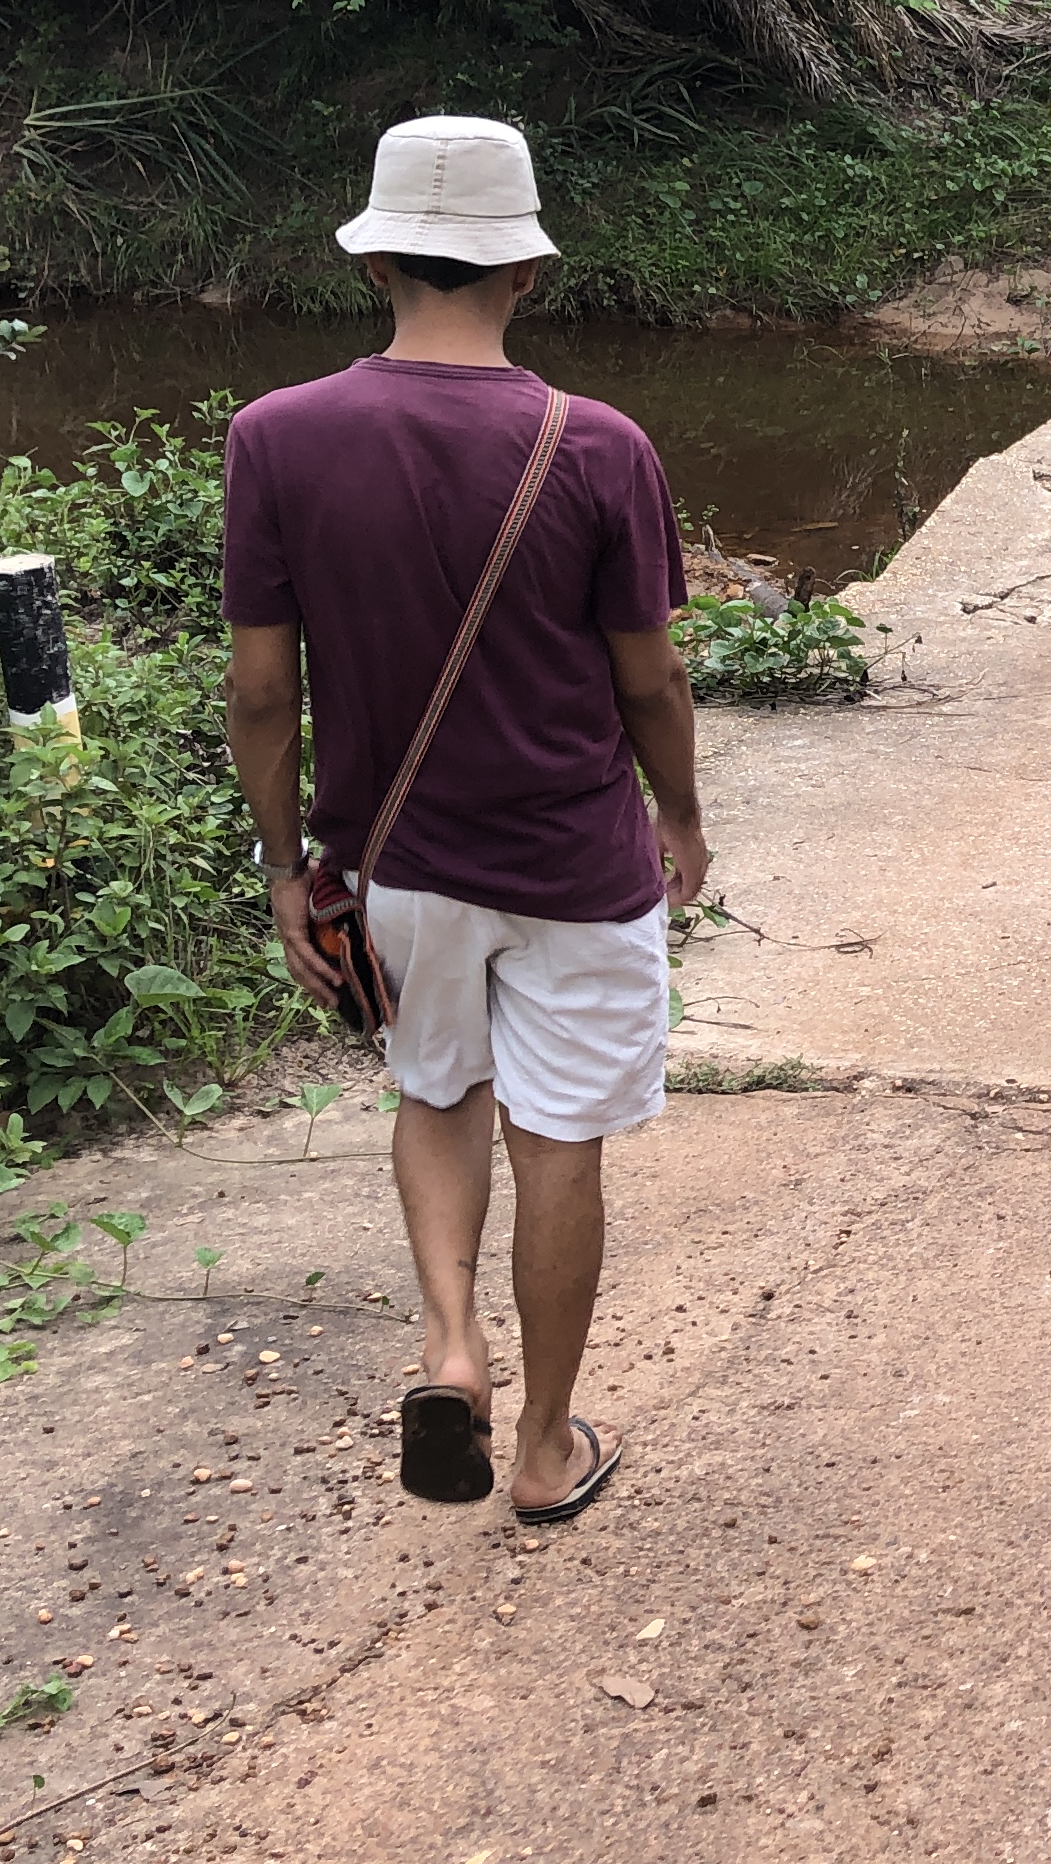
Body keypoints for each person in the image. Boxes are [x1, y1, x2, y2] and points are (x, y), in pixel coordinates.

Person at [221, 115, 708, 1525]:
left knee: (437, 1093)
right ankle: (547, 1447)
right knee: (561, 1140)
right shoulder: (600, 446)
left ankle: (451, 1349)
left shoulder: (276, 439)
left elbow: (263, 693)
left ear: (375, 265)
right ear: (530, 275)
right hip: (573, 861)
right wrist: (681, 817)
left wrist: (282, 868)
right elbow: (650, 680)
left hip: (396, 867)